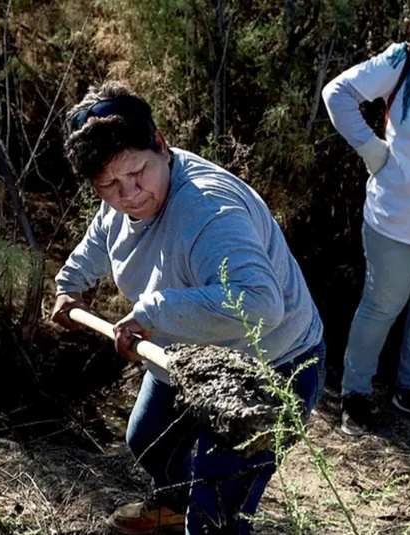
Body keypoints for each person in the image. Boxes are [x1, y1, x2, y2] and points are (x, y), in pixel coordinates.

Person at [51, 82, 325, 535]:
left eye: (138, 173)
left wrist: (155, 311)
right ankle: (173, 508)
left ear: (161, 144)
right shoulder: (122, 197)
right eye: (109, 186)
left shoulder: (208, 211)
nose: (129, 194)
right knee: (148, 443)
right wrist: (71, 283)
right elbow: (104, 233)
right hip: (188, 356)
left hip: (270, 367)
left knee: (216, 515)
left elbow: (260, 304)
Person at [322, 41, 410, 437]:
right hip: (395, 219)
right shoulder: (405, 61)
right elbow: (337, 94)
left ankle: (409, 389)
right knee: (382, 307)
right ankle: (355, 393)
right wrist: (373, 152)